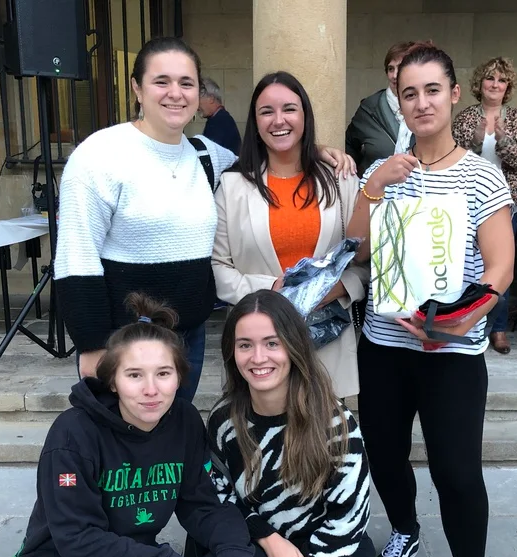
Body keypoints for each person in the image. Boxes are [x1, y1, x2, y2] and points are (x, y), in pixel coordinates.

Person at [55, 36, 354, 401]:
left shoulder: (208, 156)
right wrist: (91, 344)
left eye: (186, 83)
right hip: (124, 339)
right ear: (137, 88)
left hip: (189, 338)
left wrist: (314, 150)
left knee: (175, 431)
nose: (175, 94)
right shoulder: (99, 156)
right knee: (124, 434)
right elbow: (76, 256)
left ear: (199, 93)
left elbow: (267, 157)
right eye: (161, 81)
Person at [3, 293, 255, 557]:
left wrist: (233, 550)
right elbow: (78, 541)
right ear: (113, 381)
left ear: (180, 377)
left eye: (163, 373)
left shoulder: (183, 422)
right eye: (135, 375)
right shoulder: (74, 433)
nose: (151, 389)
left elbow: (203, 502)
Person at [345, 42, 514, 557]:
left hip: (452, 353)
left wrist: (457, 322)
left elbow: (500, 267)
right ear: (399, 99)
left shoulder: (481, 175)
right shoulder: (385, 170)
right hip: (385, 345)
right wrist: (371, 189)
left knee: (457, 472)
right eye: (409, 93)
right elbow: (357, 250)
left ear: (453, 95)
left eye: (432, 90)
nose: (421, 103)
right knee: (385, 455)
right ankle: (406, 529)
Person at [199, 290, 375, 557]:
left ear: (294, 347)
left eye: (271, 343)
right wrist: (267, 538)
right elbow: (219, 496)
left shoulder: (336, 424)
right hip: (262, 541)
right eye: (245, 345)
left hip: (331, 544)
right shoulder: (224, 421)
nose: (258, 357)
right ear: (232, 353)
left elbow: (349, 518)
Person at [212, 71, 368, 399]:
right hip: (258, 344)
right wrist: (272, 291)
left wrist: (340, 287)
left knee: (323, 427)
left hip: (325, 338)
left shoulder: (340, 180)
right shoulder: (232, 186)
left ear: (305, 116)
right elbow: (218, 267)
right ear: (255, 122)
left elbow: (362, 258)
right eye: (266, 111)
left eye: (289, 109)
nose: (278, 120)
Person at [453, 56, 517, 355]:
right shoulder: (465, 117)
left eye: (502, 80)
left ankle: (498, 329)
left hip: (504, 203)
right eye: (490, 78)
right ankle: (466, 320)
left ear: (508, 86)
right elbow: (453, 157)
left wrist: (503, 139)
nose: (495, 84)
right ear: (480, 83)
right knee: (467, 265)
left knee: (501, 264)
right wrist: (474, 141)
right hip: (467, 201)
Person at [345, 41, 417, 176]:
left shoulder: (424, 107)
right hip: (374, 186)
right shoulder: (369, 108)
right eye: (390, 69)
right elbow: (349, 144)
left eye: (400, 67)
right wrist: (354, 177)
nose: (394, 75)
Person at [200, 76, 241, 154]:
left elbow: (209, 154)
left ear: (211, 99)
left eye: (198, 99)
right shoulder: (220, 118)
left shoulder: (220, 121)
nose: (197, 106)